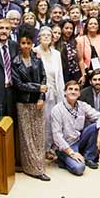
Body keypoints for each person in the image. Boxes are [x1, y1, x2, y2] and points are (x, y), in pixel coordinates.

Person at [11, 24, 51, 181]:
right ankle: (32, 168)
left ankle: (39, 166)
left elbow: (44, 77)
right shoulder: (15, 62)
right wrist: (38, 88)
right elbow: (19, 85)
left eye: (28, 43)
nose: (26, 46)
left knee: (39, 135)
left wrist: (41, 96)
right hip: (24, 103)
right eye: (23, 43)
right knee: (27, 137)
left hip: (38, 102)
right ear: (19, 45)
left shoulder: (37, 59)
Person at [52, 80, 100, 175]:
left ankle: (89, 157)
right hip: (65, 146)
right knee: (79, 168)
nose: (73, 92)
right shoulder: (57, 110)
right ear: (65, 92)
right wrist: (71, 153)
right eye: (70, 89)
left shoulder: (82, 105)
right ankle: (62, 159)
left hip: (79, 139)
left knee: (96, 126)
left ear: (79, 93)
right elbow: (57, 136)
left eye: (76, 89)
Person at [35, 26, 67, 154]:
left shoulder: (56, 54)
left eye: (49, 35)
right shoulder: (34, 52)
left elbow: (60, 76)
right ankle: (44, 148)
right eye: (43, 35)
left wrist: (63, 93)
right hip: (42, 92)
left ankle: (55, 146)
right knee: (44, 120)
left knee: (55, 119)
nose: (47, 37)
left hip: (56, 91)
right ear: (39, 38)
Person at [77, 16, 100, 83]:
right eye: (91, 24)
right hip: (88, 72)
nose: (93, 25)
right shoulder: (81, 40)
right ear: (87, 26)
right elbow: (80, 59)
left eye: (95, 24)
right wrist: (86, 70)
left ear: (98, 26)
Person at [56, 19, 81, 83]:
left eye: (71, 28)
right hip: (63, 74)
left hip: (75, 74)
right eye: (66, 28)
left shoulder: (74, 42)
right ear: (61, 29)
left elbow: (80, 59)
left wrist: (83, 74)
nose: (69, 30)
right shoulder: (56, 43)